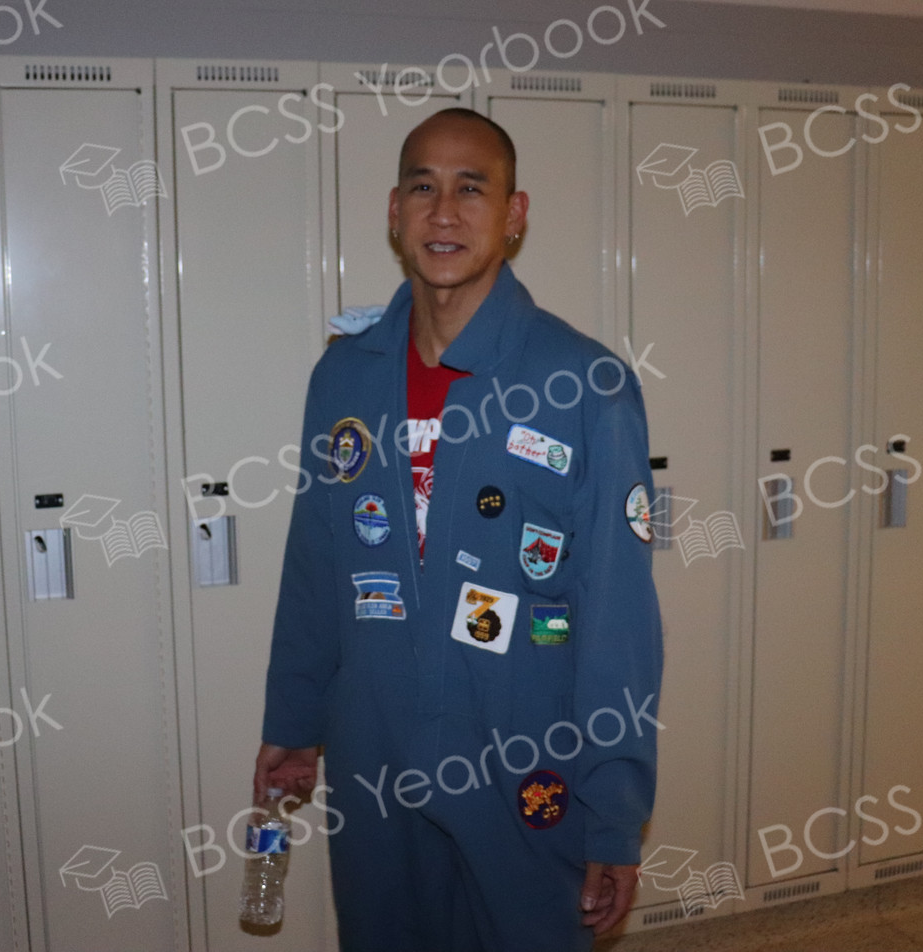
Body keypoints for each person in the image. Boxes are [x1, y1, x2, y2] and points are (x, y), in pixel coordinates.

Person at [253, 107, 663, 950]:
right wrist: (293, 724)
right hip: (374, 748)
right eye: (423, 188)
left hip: (523, 757)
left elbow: (619, 619)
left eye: (472, 189)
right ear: (394, 212)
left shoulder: (585, 384)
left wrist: (614, 811)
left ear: (514, 215)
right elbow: (315, 565)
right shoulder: (345, 377)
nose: (444, 212)